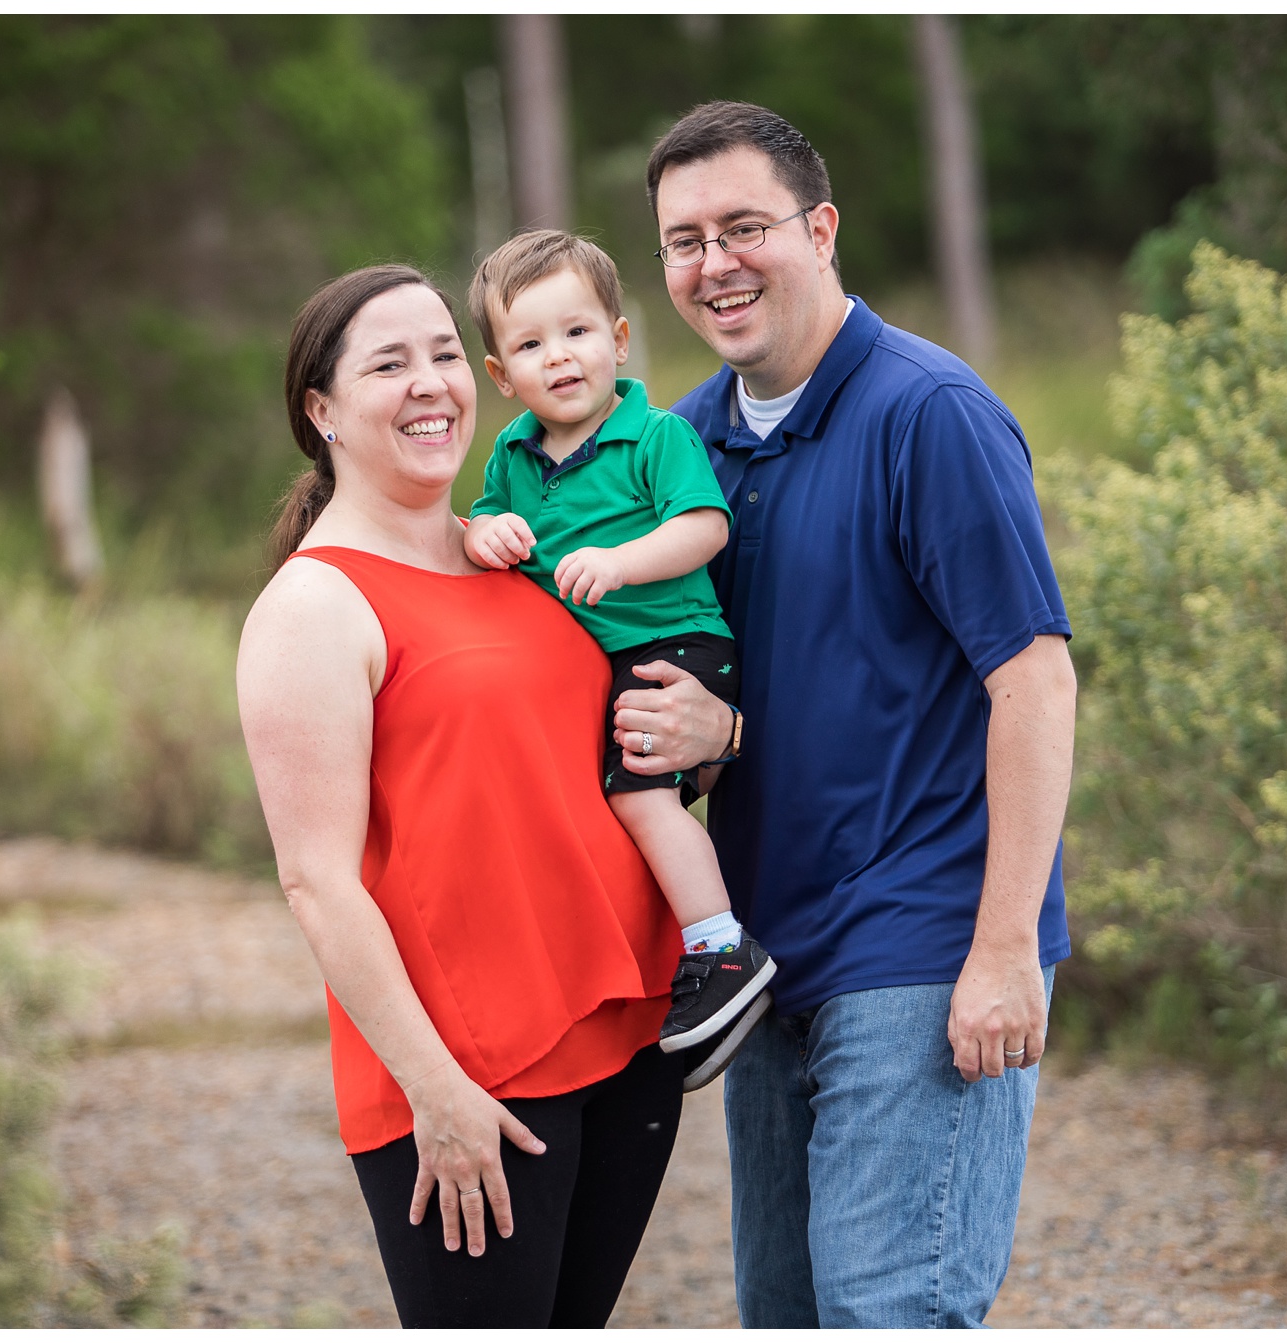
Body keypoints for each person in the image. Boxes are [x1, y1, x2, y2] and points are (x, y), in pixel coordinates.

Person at [612, 102, 1078, 1328]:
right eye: (682, 240)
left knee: (888, 1310)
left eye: (744, 226)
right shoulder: (683, 448)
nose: (713, 263)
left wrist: (1002, 950)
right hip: (764, 953)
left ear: (819, 229)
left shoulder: (928, 413)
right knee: (787, 1310)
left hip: (918, 946)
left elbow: (1031, 681)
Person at [236, 264, 686, 1328]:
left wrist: (719, 728)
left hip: (623, 1041)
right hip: (471, 1082)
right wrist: (435, 1090)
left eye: (443, 353)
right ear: (322, 409)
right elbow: (317, 882)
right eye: (388, 364)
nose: (430, 383)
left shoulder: (515, 548)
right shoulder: (313, 605)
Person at [461, 229, 775, 1087]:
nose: (559, 358)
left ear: (619, 338)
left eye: (577, 333)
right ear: (500, 376)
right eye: (530, 345)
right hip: (600, 672)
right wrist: (486, 529)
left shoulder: (657, 436)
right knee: (603, 809)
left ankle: (722, 949)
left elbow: (705, 526)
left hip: (674, 645)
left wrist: (622, 560)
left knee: (638, 801)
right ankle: (644, 966)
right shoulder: (511, 458)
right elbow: (480, 528)